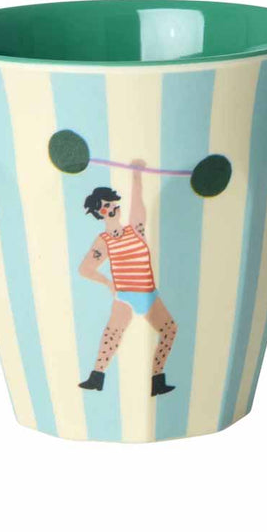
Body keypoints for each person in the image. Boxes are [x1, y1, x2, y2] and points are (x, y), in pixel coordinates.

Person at [77, 160, 177, 396]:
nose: (112, 208)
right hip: (125, 295)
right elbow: (85, 269)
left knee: (169, 329)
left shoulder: (135, 231)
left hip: (148, 293)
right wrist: (108, 283)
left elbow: (138, 208)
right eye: (106, 206)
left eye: (113, 203)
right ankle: (96, 377)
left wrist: (136, 177)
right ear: (99, 213)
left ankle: (157, 378)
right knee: (112, 334)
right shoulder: (104, 241)